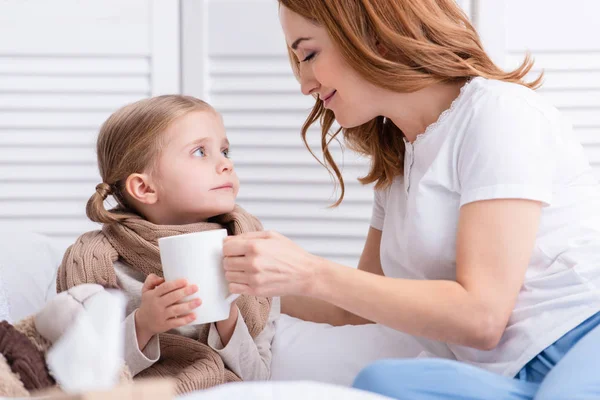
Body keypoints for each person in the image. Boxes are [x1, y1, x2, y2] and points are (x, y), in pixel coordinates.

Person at [221, 1, 600, 398]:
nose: (305, 84)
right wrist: (235, 284)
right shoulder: (400, 164)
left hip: (582, 333)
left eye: (309, 54)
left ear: (375, 35)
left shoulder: (497, 112)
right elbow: (351, 308)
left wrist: (310, 271)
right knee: (381, 384)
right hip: (509, 376)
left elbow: (482, 315)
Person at [56, 95, 278, 393]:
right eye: (200, 151)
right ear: (144, 187)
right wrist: (144, 324)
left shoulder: (253, 254)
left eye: (225, 150)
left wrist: (227, 321)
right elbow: (78, 377)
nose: (226, 163)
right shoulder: (96, 265)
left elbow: (259, 382)